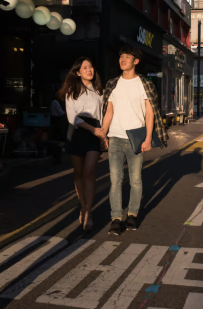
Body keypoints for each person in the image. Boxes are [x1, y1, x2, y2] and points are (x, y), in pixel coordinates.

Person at [102, 46, 168, 235]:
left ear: (135, 61)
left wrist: (148, 138)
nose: (123, 59)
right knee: (115, 181)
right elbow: (109, 111)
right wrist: (103, 134)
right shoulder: (113, 84)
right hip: (115, 138)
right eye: (121, 56)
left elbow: (150, 113)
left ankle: (132, 214)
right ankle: (116, 218)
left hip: (136, 139)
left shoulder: (144, 84)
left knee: (135, 180)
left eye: (127, 57)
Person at [57, 57, 105, 231]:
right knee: (78, 174)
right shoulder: (72, 90)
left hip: (95, 131)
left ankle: (89, 212)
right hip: (78, 132)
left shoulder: (99, 90)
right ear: (78, 72)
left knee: (90, 173)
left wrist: (102, 136)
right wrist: (92, 130)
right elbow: (72, 117)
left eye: (91, 67)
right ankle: (83, 207)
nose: (89, 70)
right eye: (85, 68)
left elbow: (101, 114)